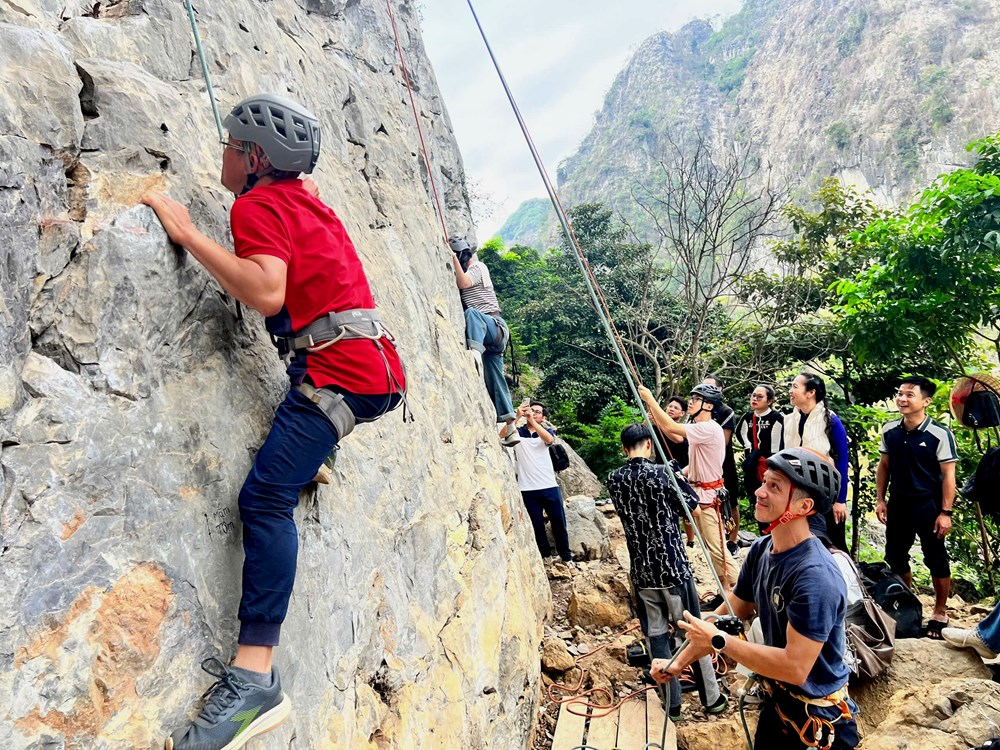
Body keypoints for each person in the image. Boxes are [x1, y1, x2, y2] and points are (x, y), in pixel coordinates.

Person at [142, 93, 406, 750]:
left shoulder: (255, 203)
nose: (223, 153)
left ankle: (255, 678)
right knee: (293, 444)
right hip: (370, 364)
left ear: (255, 157)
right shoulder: (303, 199)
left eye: (232, 146)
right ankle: (319, 451)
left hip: (339, 371)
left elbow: (265, 291)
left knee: (263, 499)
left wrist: (189, 234)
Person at [651, 448, 859, 749]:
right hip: (781, 706)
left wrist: (718, 640)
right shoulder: (762, 550)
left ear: (804, 505)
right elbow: (725, 614)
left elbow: (795, 667)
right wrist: (675, 664)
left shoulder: (815, 576)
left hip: (820, 722)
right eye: (764, 482)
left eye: (774, 486)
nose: (760, 492)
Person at [606, 423, 728, 720]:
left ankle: (672, 705)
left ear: (625, 449)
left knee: (656, 636)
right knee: (693, 633)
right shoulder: (663, 474)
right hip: (673, 566)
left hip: (643, 571)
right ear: (649, 444)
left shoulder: (614, 478)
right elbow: (693, 509)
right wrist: (677, 478)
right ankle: (711, 699)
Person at [876, 375, 958, 639]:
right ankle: (908, 606)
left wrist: (946, 513)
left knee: (935, 556)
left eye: (910, 394)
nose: (902, 398)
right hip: (899, 503)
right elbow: (884, 467)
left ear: (926, 401)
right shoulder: (890, 430)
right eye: (900, 393)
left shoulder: (939, 434)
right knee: (896, 555)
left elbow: (949, 476)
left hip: (929, 505)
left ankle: (940, 610)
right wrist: (880, 499)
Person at [639, 383, 738, 593]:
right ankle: (725, 592)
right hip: (701, 494)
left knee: (718, 550)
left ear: (709, 406)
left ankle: (744, 595)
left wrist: (650, 400)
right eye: (691, 398)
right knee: (713, 550)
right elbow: (695, 465)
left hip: (708, 498)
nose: (691, 402)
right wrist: (678, 474)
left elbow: (673, 429)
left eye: (696, 399)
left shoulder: (708, 428)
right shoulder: (702, 429)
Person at [450, 236, 519, 447]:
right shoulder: (474, 268)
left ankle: (475, 353)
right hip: (493, 336)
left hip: (493, 325)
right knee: (496, 380)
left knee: (472, 313)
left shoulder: (479, 267)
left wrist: (451, 259)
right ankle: (511, 428)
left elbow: (463, 282)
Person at [785, 372, 850, 552]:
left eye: (795, 387)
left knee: (833, 542)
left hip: (826, 491)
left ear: (810, 392)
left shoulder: (830, 420)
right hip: (798, 490)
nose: (790, 391)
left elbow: (842, 459)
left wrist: (840, 500)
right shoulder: (790, 419)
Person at [504, 401, 573, 564]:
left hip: (549, 485)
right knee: (536, 525)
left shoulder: (545, 431)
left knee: (558, 523)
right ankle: (546, 557)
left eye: (538, 412)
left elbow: (549, 439)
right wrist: (517, 416)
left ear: (543, 417)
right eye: (531, 410)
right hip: (527, 488)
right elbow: (502, 435)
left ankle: (567, 557)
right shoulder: (518, 432)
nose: (534, 413)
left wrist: (532, 420)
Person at [735, 384, 784, 531]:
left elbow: (780, 445)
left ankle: (776, 535)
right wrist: (750, 450)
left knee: (772, 501)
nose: (755, 399)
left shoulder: (777, 418)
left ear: (769, 401)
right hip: (752, 467)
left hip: (771, 467)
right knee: (758, 501)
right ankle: (764, 535)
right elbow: (740, 434)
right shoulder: (748, 417)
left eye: (760, 396)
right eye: (753, 396)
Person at [703, 375, 741, 554]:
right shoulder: (699, 410)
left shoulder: (726, 412)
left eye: (710, 387)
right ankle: (713, 539)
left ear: (720, 390)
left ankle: (733, 539)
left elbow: (723, 441)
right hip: (704, 465)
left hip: (724, 464)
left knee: (730, 503)